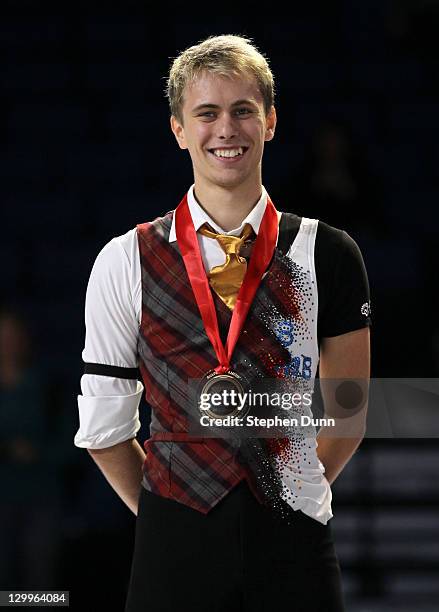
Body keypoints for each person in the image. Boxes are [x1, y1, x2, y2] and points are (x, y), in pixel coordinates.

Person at [74, 35, 371, 612]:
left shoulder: (329, 253)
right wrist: (173, 508)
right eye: (206, 113)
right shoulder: (124, 259)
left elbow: (350, 408)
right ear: (179, 130)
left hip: (296, 540)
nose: (226, 130)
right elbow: (105, 425)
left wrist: (294, 488)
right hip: (173, 543)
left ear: (271, 121)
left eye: (242, 111)